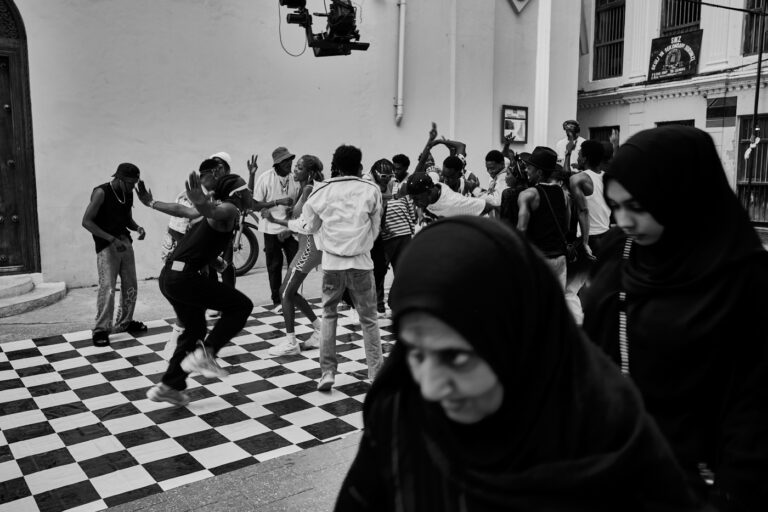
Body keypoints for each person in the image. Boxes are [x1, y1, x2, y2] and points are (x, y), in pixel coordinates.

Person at [335, 216, 710, 512]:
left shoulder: (606, 431)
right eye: (415, 353)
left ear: (519, 338)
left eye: (457, 358)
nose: (431, 385)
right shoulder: (402, 419)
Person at [582, 125, 768, 511]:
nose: (625, 221)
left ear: (683, 195)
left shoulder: (743, 275)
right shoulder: (623, 252)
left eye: (637, 206)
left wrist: (733, 489)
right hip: (617, 460)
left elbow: (756, 396)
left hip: (700, 479)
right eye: (615, 206)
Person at [146, 173, 254, 406]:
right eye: (248, 191)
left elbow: (185, 214)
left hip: (170, 276)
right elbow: (214, 213)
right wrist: (202, 203)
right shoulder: (229, 209)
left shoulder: (215, 209)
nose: (251, 195)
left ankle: (169, 386)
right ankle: (207, 354)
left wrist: (151, 203)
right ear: (238, 195)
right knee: (241, 306)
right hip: (184, 278)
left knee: (194, 329)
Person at [301, 145, 384, 391]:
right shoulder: (371, 189)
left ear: (334, 166)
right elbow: (376, 227)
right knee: (369, 319)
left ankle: (327, 372)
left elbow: (310, 226)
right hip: (361, 262)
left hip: (332, 264)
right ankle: (375, 373)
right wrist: (361, 243)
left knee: (328, 315)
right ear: (359, 166)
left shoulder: (321, 191)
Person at [137, 158, 226, 358]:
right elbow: (179, 229)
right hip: (181, 259)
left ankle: (192, 343)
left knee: (196, 302)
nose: (223, 178)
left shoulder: (210, 195)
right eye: (221, 174)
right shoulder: (191, 196)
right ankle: (175, 345)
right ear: (213, 172)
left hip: (194, 258)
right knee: (189, 302)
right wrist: (207, 259)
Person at [261, 155, 325, 357]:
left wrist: (278, 222)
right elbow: (299, 217)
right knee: (290, 291)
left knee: (285, 293)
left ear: (309, 172)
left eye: (298, 167)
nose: (294, 170)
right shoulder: (305, 189)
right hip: (306, 247)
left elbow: (307, 224)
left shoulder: (308, 189)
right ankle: (320, 329)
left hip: (309, 248)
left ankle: (291, 342)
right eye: (295, 167)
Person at [81, 163, 147, 347]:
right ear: (119, 178)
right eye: (130, 183)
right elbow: (86, 222)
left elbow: (126, 218)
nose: (133, 187)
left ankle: (124, 322)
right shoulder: (101, 192)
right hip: (106, 244)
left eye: (135, 183)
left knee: (130, 284)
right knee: (108, 287)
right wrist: (111, 239)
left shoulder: (128, 192)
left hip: (124, 241)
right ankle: (101, 329)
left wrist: (137, 227)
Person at [564, 140, 610, 324]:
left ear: (585, 157)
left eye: (579, 153)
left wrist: (583, 243)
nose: (577, 155)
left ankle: (581, 329)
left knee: (569, 290)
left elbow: (584, 211)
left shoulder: (579, 179)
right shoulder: (608, 177)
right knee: (598, 287)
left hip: (589, 237)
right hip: (606, 237)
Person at [253, 146, 301, 306]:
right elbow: (255, 205)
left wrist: (294, 209)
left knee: (295, 264)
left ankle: (290, 294)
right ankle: (277, 300)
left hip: (290, 228)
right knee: (274, 266)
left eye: (290, 160)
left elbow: (302, 202)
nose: (289, 163)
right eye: (285, 161)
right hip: (270, 228)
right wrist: (277, 202)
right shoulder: (265, 178)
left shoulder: (295, 178)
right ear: (277, 163)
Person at [517, 147, 570, 288]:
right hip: (560, 258)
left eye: (529, 167)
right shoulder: (562, 193)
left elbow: (521, 230)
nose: (526, 170)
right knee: (556, 306)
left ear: (539, 172)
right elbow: (567, 225)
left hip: (539, 260)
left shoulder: (528, 195)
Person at [406, 173, 494, 221]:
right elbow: (432, 174)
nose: (415, 203)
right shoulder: (432, 181)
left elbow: (489, 206)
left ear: (429, 192)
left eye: (416, 199)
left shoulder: (453, 203)